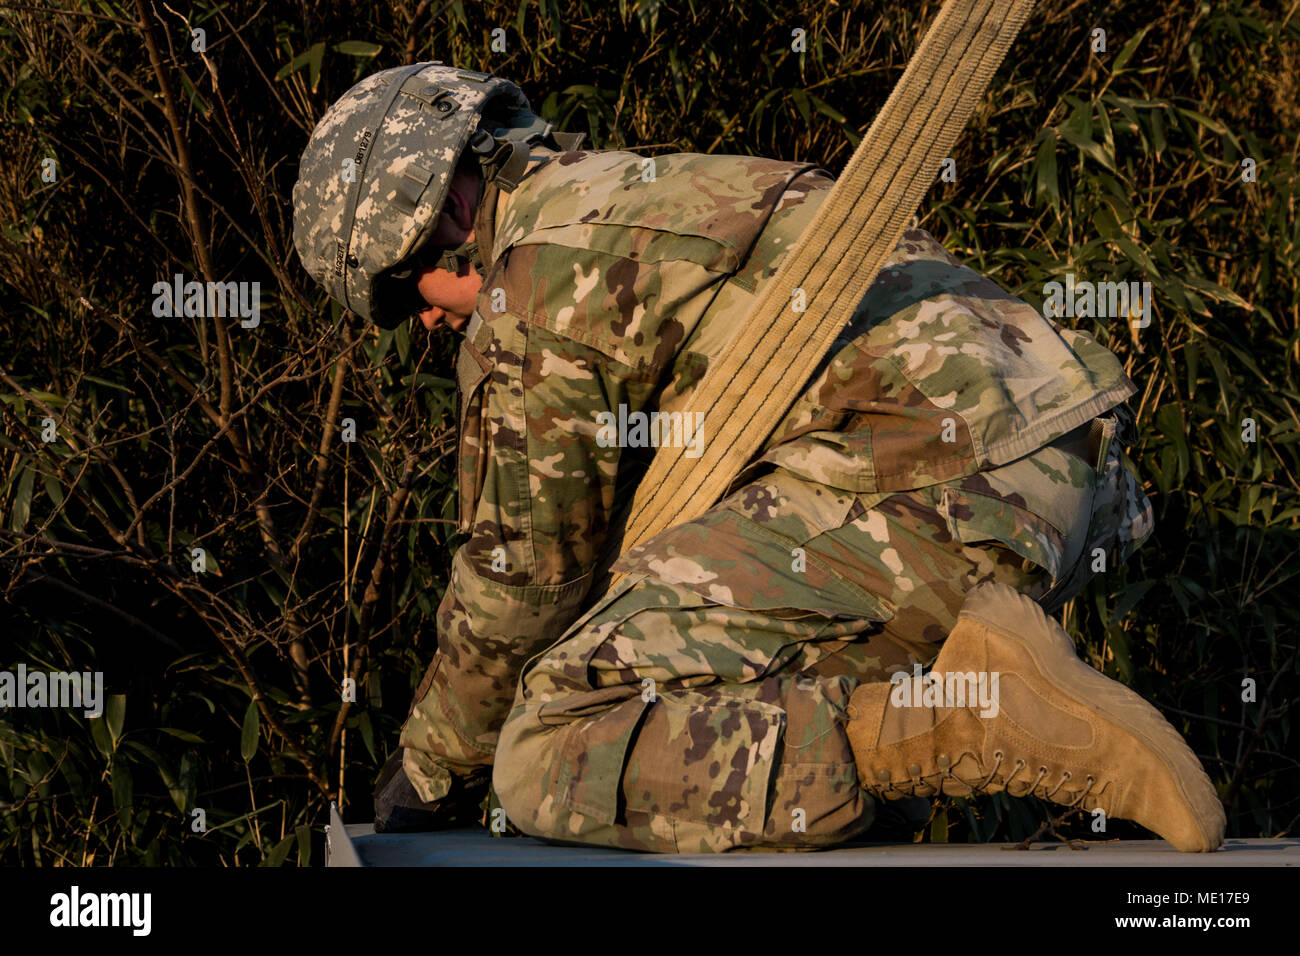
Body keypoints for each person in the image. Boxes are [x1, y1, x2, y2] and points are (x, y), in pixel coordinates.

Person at [293, 63, 1225, 853]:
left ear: (450, 206)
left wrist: (427, 773)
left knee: (548, 745)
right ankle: (956, 704)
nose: (418, 320)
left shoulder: (536, 283)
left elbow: (525, 576)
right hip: (1044, 474)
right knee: (721, 693)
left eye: (396, 290)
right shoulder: (659, 185)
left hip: (928, 487)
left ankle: (972, 721)